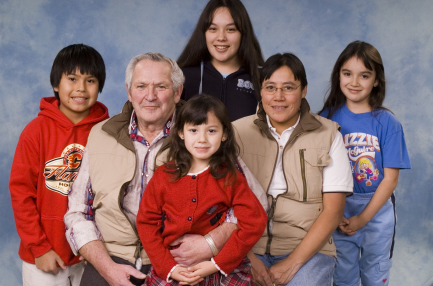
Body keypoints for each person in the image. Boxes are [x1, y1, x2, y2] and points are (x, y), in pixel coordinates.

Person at [64, 52, 268, 286]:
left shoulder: (201, 135)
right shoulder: (101, 135)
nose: (150, 96)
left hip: (182, 260)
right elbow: (77, 213)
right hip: (112, 257)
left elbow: (253, 203)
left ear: (178, 91)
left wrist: (210, 243)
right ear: (130, 91)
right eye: (141, 86)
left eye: (160, 86)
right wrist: (107, 268)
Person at [233, 53, 354, 285]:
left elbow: (334, 211)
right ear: (260, 91)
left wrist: (294, 262)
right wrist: (247, 258)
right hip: (246, 246)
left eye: (288, 87)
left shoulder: (329, 135)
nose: (278, 97)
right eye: (270, 87)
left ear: (304, 90)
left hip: (308, 250)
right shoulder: (236, 133)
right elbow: (220, 203)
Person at [137, 94, 267, 285]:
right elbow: (147, 224)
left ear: (224, 134)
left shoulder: (231, 177)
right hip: (175, 266)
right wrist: (169, 268)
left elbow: (254, 222)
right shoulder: (163, 176)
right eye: (194, 130)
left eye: (211, 131)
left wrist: (217, 264)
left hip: (220, 267)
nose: (202, 139)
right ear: (181, 133)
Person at [8, 44, 109, 286]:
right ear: (56, 84)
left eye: (90, 80)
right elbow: (21, 193)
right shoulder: (35, 132)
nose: (80, 89)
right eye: (72, 78)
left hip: (93, 254)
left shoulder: (108, 132)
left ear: (100, 87)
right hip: (44, 256)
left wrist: (100, 247)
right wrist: (39, 248)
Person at [319, 41, 411, 286]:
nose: (354, 82)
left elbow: (390, 180)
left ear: (377, 80)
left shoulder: (388, 123)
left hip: (377, 209)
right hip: (338, 207)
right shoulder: (326, 119)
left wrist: (363, 218)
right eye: (347, 73)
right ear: (338, 75)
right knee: (342, 274)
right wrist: (334, 213)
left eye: (364, 75)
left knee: (375, 272)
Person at [177, 0, 264, 121]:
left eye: (230, 29)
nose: (221, 37)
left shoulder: (262, 79)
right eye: (213, 29)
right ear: (204, 34)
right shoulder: (184, 77)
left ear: (243, 34)